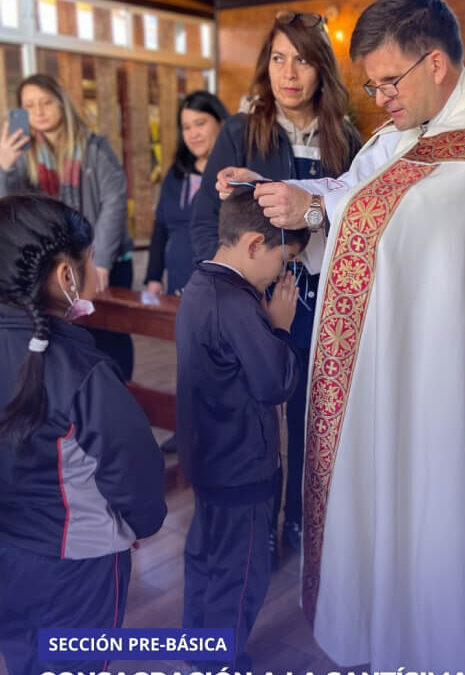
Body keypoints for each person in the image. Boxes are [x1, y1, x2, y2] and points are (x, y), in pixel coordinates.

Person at [217, 0, 465, 671]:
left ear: (435, 62)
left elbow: (419, 207)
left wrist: (318, 207)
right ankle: (397, 620)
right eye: (371, 87)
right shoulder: (408, 125)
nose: (379, 100)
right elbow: (358, 187)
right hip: (420, 358)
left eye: (388, 84)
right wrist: (283, 189)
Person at [191, 10, 362, 565]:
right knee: (256, 413)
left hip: (323, 297)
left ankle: (302, 518)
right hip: (254, 299)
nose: (289, 73)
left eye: (304, 60)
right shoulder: (241, 132)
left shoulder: (348, 138)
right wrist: (234, 291)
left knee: (314, 414)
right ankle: (259, 523)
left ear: (322, 70)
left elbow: (360, 220)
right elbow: (203, 224)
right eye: (279, 58)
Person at [0, 195, 167, 675]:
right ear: (65, 277)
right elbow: (137, 477)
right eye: (92, 261)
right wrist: (135, 524)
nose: (99, 275)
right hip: (76, 566)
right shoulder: (83, 371)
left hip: (8, 555)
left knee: (24, 657)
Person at [176, 187, 309, 671]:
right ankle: (222, 659)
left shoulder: (198, 286)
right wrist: (279, 327)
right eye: (284, 258)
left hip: (208, 458)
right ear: (255, 244)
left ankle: (197, 643)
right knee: (243, 570)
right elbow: (276, 383)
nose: (283, 273)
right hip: (243, 466)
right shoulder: (237, 303)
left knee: (205, 556)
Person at [0, 73, 135, 379]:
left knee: (111, 335)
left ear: (61, 103)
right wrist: (4, 166)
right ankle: (80, 401)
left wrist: (98, 260)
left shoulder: (94, 147)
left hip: (102, 259)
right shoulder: (23, 156)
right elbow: (11, 209)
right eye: (29, 106)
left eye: (46, 102)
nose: (39, 111)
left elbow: (114, 201)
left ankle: (117, 390)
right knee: (64, 336)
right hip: (55, 265)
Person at [145, 90, 229, 296]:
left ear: (221, 122)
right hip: (178, 285)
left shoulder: (233, 176)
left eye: (200, 124)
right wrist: (153, 278)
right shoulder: (176, 175)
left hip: (221, 289)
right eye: (186, 127)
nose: (193, 134)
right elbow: (161, 229)